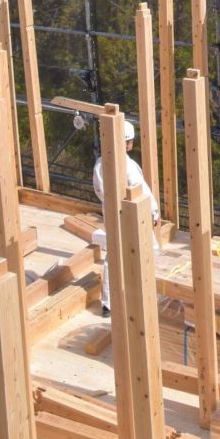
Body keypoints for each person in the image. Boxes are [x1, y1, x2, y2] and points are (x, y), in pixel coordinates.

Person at [92, 118, 160, 316]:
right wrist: (153, 212)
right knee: (150, 251)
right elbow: (141, 192)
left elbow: (100, 190)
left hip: (113, 215)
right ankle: (150, 296)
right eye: (130, 141)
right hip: (134, 216)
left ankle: (109, 303)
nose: (132, 144)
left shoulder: (100, 163)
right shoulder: (127, 166)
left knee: (114, 256)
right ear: (126, 142)